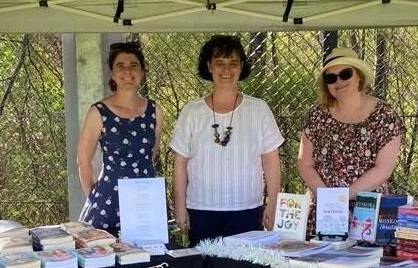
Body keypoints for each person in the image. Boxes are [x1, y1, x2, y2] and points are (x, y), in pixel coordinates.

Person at [170, 35, 283, 244]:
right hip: (201, 209)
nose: (226, 70)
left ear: (241, 67)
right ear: (209, 66)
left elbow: (271, 160)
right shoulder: (191, 111)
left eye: (233, 63)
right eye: (219, 63)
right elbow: (180, 162)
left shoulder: (259, 109)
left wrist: (273, 203)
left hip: (248, 209)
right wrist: (180, 206)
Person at [298, 47, 404, 236]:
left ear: (359, 76)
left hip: (368, 211)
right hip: (324, 211)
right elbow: (304, 163)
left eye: (345, 74)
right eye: (331, 78)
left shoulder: (385, 115)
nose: (339, 81)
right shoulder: (316, 115)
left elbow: (384, 169)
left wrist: (343, 198)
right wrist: (328, 200)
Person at [76, 41, 163, 233]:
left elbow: (152, 153)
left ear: (142, 72)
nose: (127, 72)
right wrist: (94, 197)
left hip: (145, 200)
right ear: (112, 74)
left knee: (150, 258)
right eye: (120, 66)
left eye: (134, 65)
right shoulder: (98, 112)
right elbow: (83, 161)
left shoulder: (154, 110)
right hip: (108, 200)